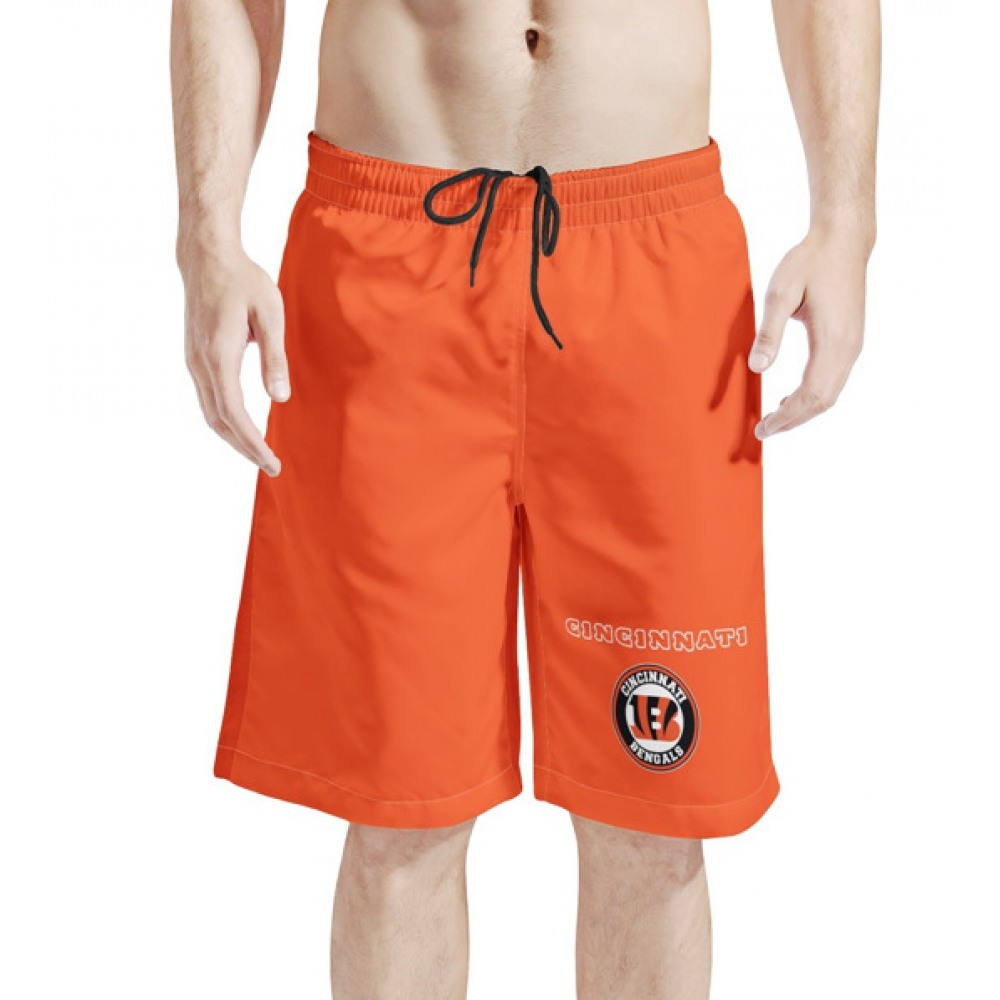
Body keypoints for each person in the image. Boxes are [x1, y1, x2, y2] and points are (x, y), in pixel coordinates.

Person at [170, 1, 879, 996]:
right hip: (386, 260)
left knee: (654, 811)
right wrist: (207, 236)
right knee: (399, 818)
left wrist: (845, 221)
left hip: (651, 259)